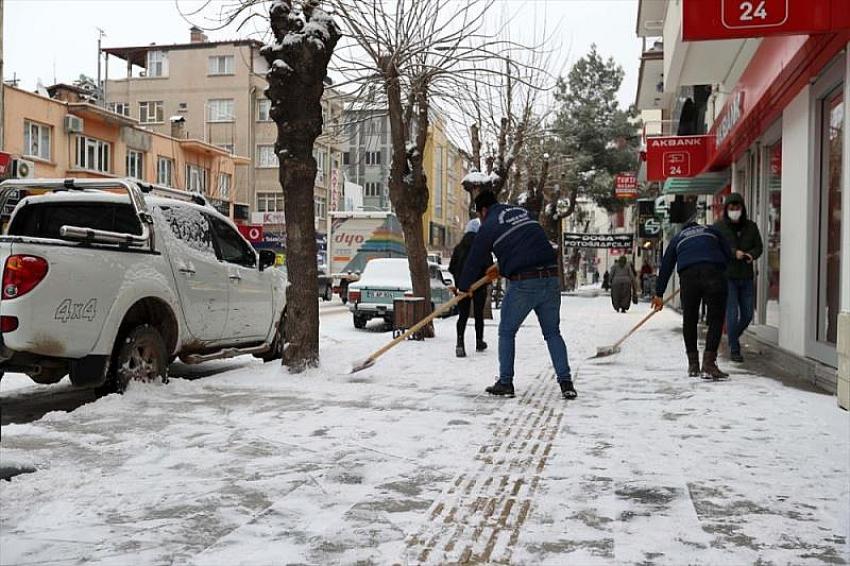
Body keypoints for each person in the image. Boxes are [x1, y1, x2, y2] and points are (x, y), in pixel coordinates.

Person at [457, 191, 577, 400]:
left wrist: (463, 287)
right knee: (552, 332)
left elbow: (475, 258)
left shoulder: (490, 223)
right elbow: (526, 245)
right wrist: (502, 266)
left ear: (483, 210)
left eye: (478, 215)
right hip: (551, 277)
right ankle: (566, 382)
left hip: (524, 282)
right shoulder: (523, 213)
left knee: (506, 331)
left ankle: (505, 382)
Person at [652, 219, 732, 379]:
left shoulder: (678, 238)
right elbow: (727, 252)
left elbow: (666, 265)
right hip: (713, 272)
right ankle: (709, 364)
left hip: (688, 276)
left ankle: (693, 365)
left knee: (690, 320)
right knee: (716, 318)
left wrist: (659, 295)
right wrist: (720, 269)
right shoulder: (711, 230)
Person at [714, 193, 763, 363]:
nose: (735, 211)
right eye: (731, 208)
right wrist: (733, 252)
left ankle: (732, 336)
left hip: (746, 276)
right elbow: (715, 247)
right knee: (732, 313)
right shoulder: (719, 227)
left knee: (748, 314)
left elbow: (759, 246)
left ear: (743, 209)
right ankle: (735, 349)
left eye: (738, 208)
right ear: (726, 209)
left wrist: (751, 255)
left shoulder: (751, 227)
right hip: (728, 276)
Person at [448, 218, 490, 358]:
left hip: (462, 287)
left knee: (463, 315)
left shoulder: (459, 248)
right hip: (479, 285)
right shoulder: (482, 247)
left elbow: (452, 267)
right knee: (478, 314)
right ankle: (479, 341)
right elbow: (489, 267)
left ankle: (460, 344)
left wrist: (459, 282)